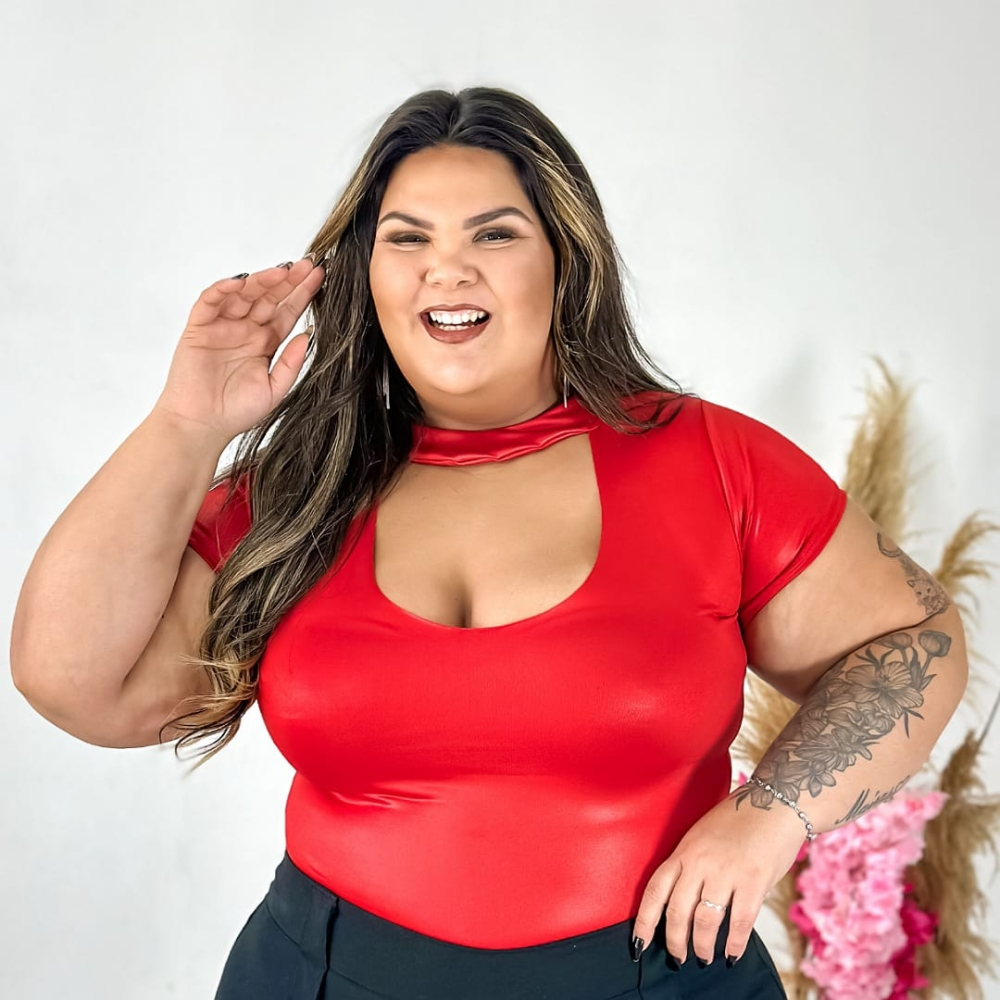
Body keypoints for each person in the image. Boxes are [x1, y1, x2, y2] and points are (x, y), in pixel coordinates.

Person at [11, 86, 968, 1000]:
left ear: (564, 259)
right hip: (321, 978)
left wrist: (771, 817)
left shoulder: (713, 462)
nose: (447, 269)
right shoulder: (294, 494)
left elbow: (911, 642)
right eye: (407, 238)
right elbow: (75, 681)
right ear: (368, 275)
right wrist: (186, 424)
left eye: (495, 234)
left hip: (663, 978)